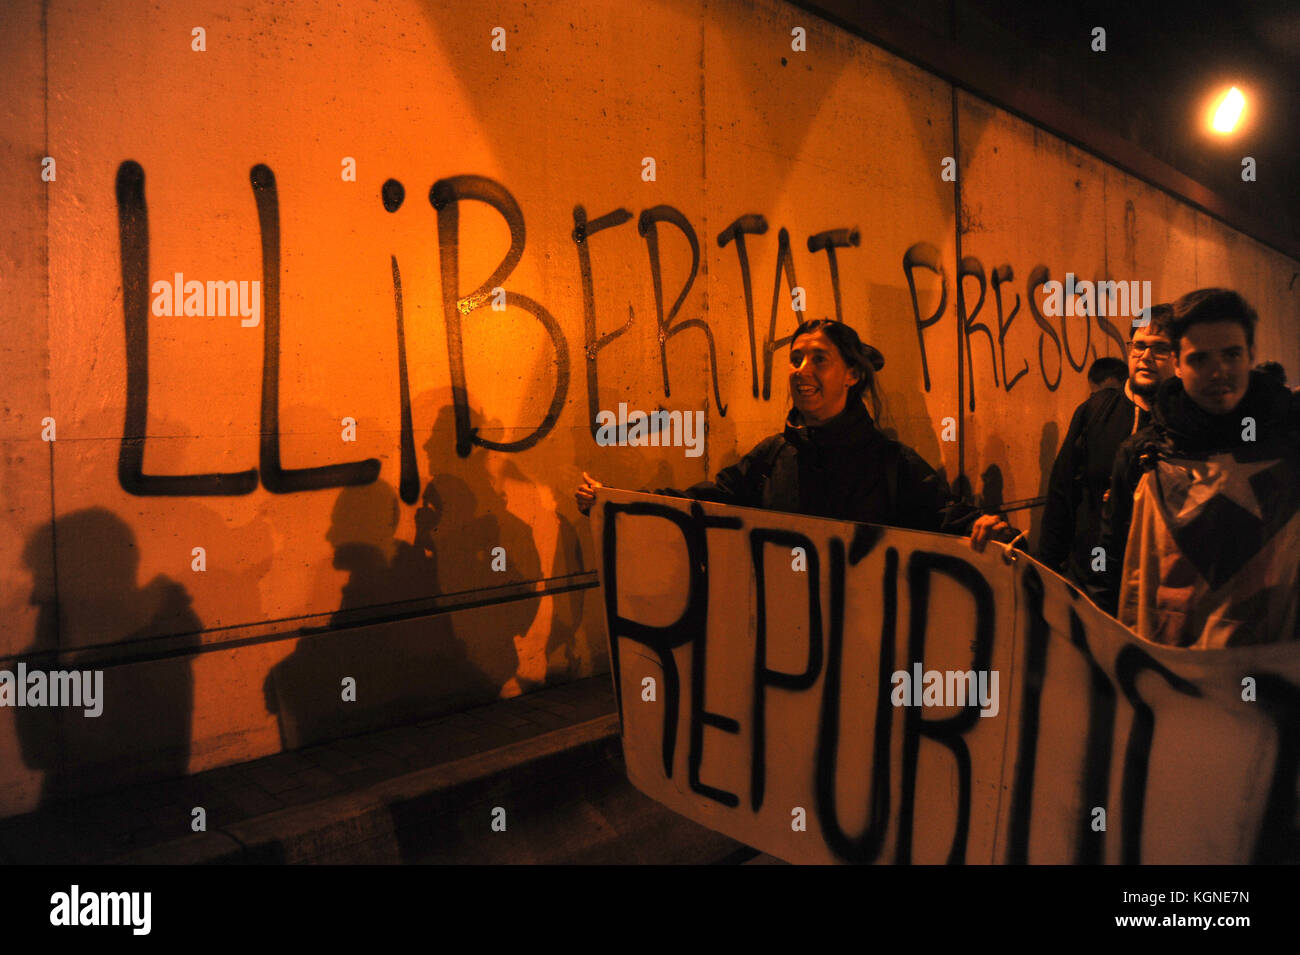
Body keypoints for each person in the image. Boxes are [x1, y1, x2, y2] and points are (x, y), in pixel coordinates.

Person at [576, 318, 1013, 550]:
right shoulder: (771, 458)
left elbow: (950, 518)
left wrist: (991, 531)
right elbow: (701, 502)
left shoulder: (891, 464)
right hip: (784, 660)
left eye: (818, 359)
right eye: (795, 358)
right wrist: (618, 504)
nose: (801, 371)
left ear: (852, 375)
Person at [1093, 288, 1300, 647]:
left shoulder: (1290, 443)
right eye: (1200, 358)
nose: (1218, 372)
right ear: (1176, 361)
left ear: (1250, 354)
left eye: (1231, 354)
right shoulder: (1145, 456)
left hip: (1272, 677)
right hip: (1171, 674)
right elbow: (1112, 563)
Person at [1038, 305, 1176, 585]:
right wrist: (1046, 573)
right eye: (1139, 345)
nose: (1145, 356)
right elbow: (1062, 495)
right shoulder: (1094, 412)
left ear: (1180, 358)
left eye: (1159, 348)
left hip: (1155, 585)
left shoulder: (1185, 424)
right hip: (1090, 579)